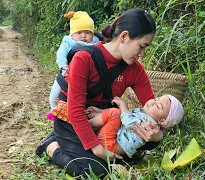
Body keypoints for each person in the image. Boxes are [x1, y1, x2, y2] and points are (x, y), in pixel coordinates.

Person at [35, 8, 163, 177]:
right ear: (124, 37)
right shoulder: (84, 58)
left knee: (149, 141)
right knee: (98, 170)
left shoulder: (136, 70)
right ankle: (51, 146)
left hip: (104, 120)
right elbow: (75, 111)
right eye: (141, 46)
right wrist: (97, 149)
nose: (142, 54)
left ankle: (87, 148)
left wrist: (157, 135)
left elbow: (151, 107)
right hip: (72, 121)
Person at [88, 95, 184, 158]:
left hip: (109, 145)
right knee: (115, 113)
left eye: (158, 106)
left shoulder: (149, 124)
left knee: (116, 112)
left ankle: (86, 125)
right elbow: (122, 118)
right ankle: (89, 124)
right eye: (156, 99)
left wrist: (123, 105)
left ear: (162, 121)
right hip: (111, 140)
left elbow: (127, 121)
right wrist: (102, 113)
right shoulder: (144, 114)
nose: (152, 102)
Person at [47, 11, 100, 120]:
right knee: (54, 95)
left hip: (86, 75)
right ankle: (54, 110)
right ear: (72, 34)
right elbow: (61, 54)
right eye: (79, 32)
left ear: (93, 34)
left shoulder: (96, 43)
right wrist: (63, 66)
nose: (83, 36)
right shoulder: (69, 42)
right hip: (67, 73)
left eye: (88, 32)